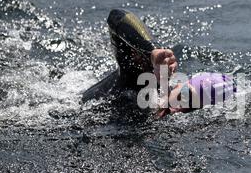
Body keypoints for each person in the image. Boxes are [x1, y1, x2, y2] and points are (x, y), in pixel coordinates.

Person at [82, 9, 236, 117]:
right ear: (178, 85)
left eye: (191, 109)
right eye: (184, 95)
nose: (178, 108)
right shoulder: (143, 78)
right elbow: (116, 16)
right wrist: (152, 51)